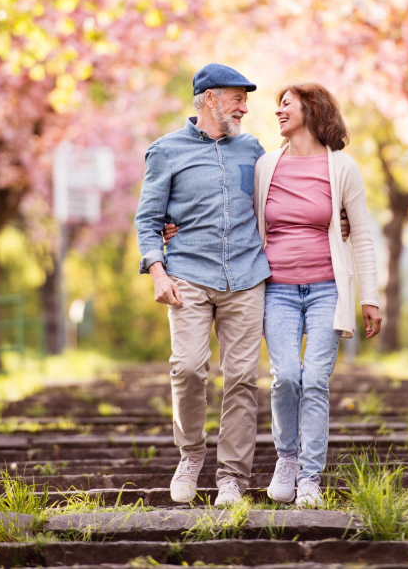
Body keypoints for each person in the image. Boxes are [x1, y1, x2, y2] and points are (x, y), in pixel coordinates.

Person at [135, 63, 272, 507]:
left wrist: (336, 216)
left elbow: (283, 198)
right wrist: (156, 269)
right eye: (237, 98)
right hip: (188, 276)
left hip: (247, 276)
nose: (245, 107)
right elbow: (148, 218)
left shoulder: (253, 149)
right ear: (209, 98)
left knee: (242, 379)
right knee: (190, 367)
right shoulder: (166, 150)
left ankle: (232, 476)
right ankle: (191, 456)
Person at [254, 83, 381, 507]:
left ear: (311, 108)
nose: (278, 112)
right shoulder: (265, 165)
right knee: (286, 375)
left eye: (286, 104)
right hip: (278, 290)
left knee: (315, 381)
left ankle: (310, 477)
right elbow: (238, 215)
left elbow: (360, 234)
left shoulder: (342, 167)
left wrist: (371, 297)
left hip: (329, 288)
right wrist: (172, 226)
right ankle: (287, 459)